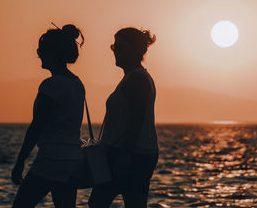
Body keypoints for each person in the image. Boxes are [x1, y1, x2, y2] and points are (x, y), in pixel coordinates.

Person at [11, 24, 86, 208]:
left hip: (51, 158)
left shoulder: (50, 86)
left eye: (41, 50)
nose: (38, 53)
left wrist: (20, 161)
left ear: (52, 53)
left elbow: (37, 126)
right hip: (72, 159)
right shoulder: (77, 84)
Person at [88, 27, 159, 208]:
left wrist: (124, 155)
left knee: (99, 203)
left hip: (131, 154)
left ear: (136, 50)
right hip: (129, 152)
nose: (115, 52)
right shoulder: (133, 77)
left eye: (120, 48)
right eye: (114, 47)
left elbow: (137, 119)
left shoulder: (137, 79)